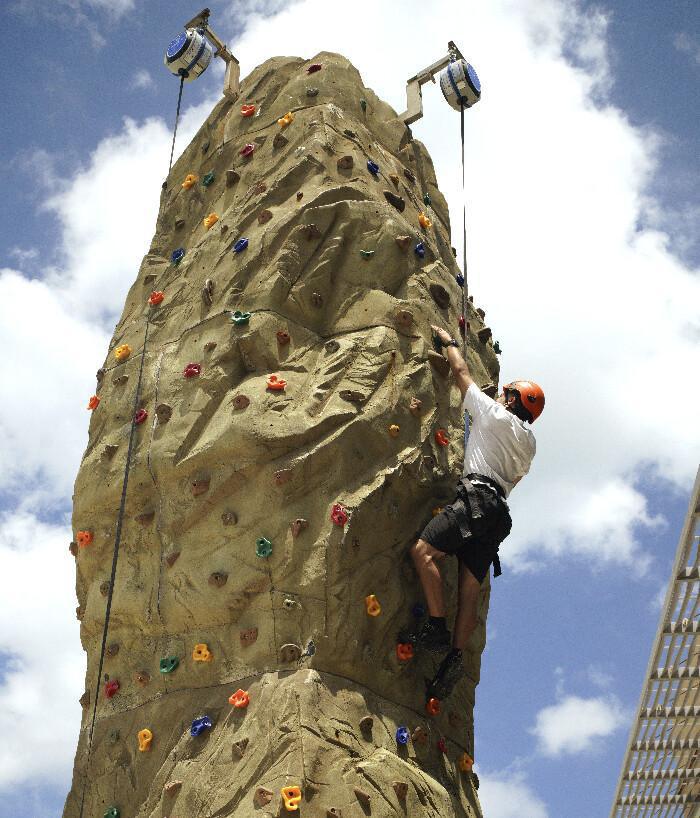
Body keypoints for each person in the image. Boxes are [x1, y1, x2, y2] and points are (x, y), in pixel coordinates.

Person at [404, 324, 545, 702]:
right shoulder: (529, 444)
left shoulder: (493, 415)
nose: (499, 395)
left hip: (476, 501)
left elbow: (461, 373)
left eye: (505, 393)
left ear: (513, 401)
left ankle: (435, 626)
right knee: (469, 591)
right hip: (498, 515)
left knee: (423, 552)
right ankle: (453, 658)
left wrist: (449, 341)